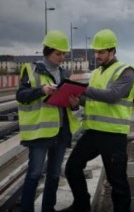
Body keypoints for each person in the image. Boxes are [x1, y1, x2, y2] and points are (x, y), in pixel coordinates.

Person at [59, 29, 134, 212]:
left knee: (116, 181)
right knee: (72, 168)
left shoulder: (126, 72)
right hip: (93, 132)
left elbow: (112, 95)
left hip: (113, 135)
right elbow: (89, 100)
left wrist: (83, 90)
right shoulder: (95, 74)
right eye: (96, 51)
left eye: (101, 52)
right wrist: (76, 101)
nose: (97, 55)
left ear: (112, 51)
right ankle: (81, 205)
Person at [16, 30, 81, 212]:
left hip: (61, 132)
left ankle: (48, 209)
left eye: (63, 54)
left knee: (53, 175)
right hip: (40, 133)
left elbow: (69, 103)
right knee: (35, 173)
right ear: (47, 52)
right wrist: (42, 90)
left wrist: (74, 104)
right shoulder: (32, 70)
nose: (61, 57)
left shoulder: (64, 73)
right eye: (58, 54)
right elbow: (21, 96)